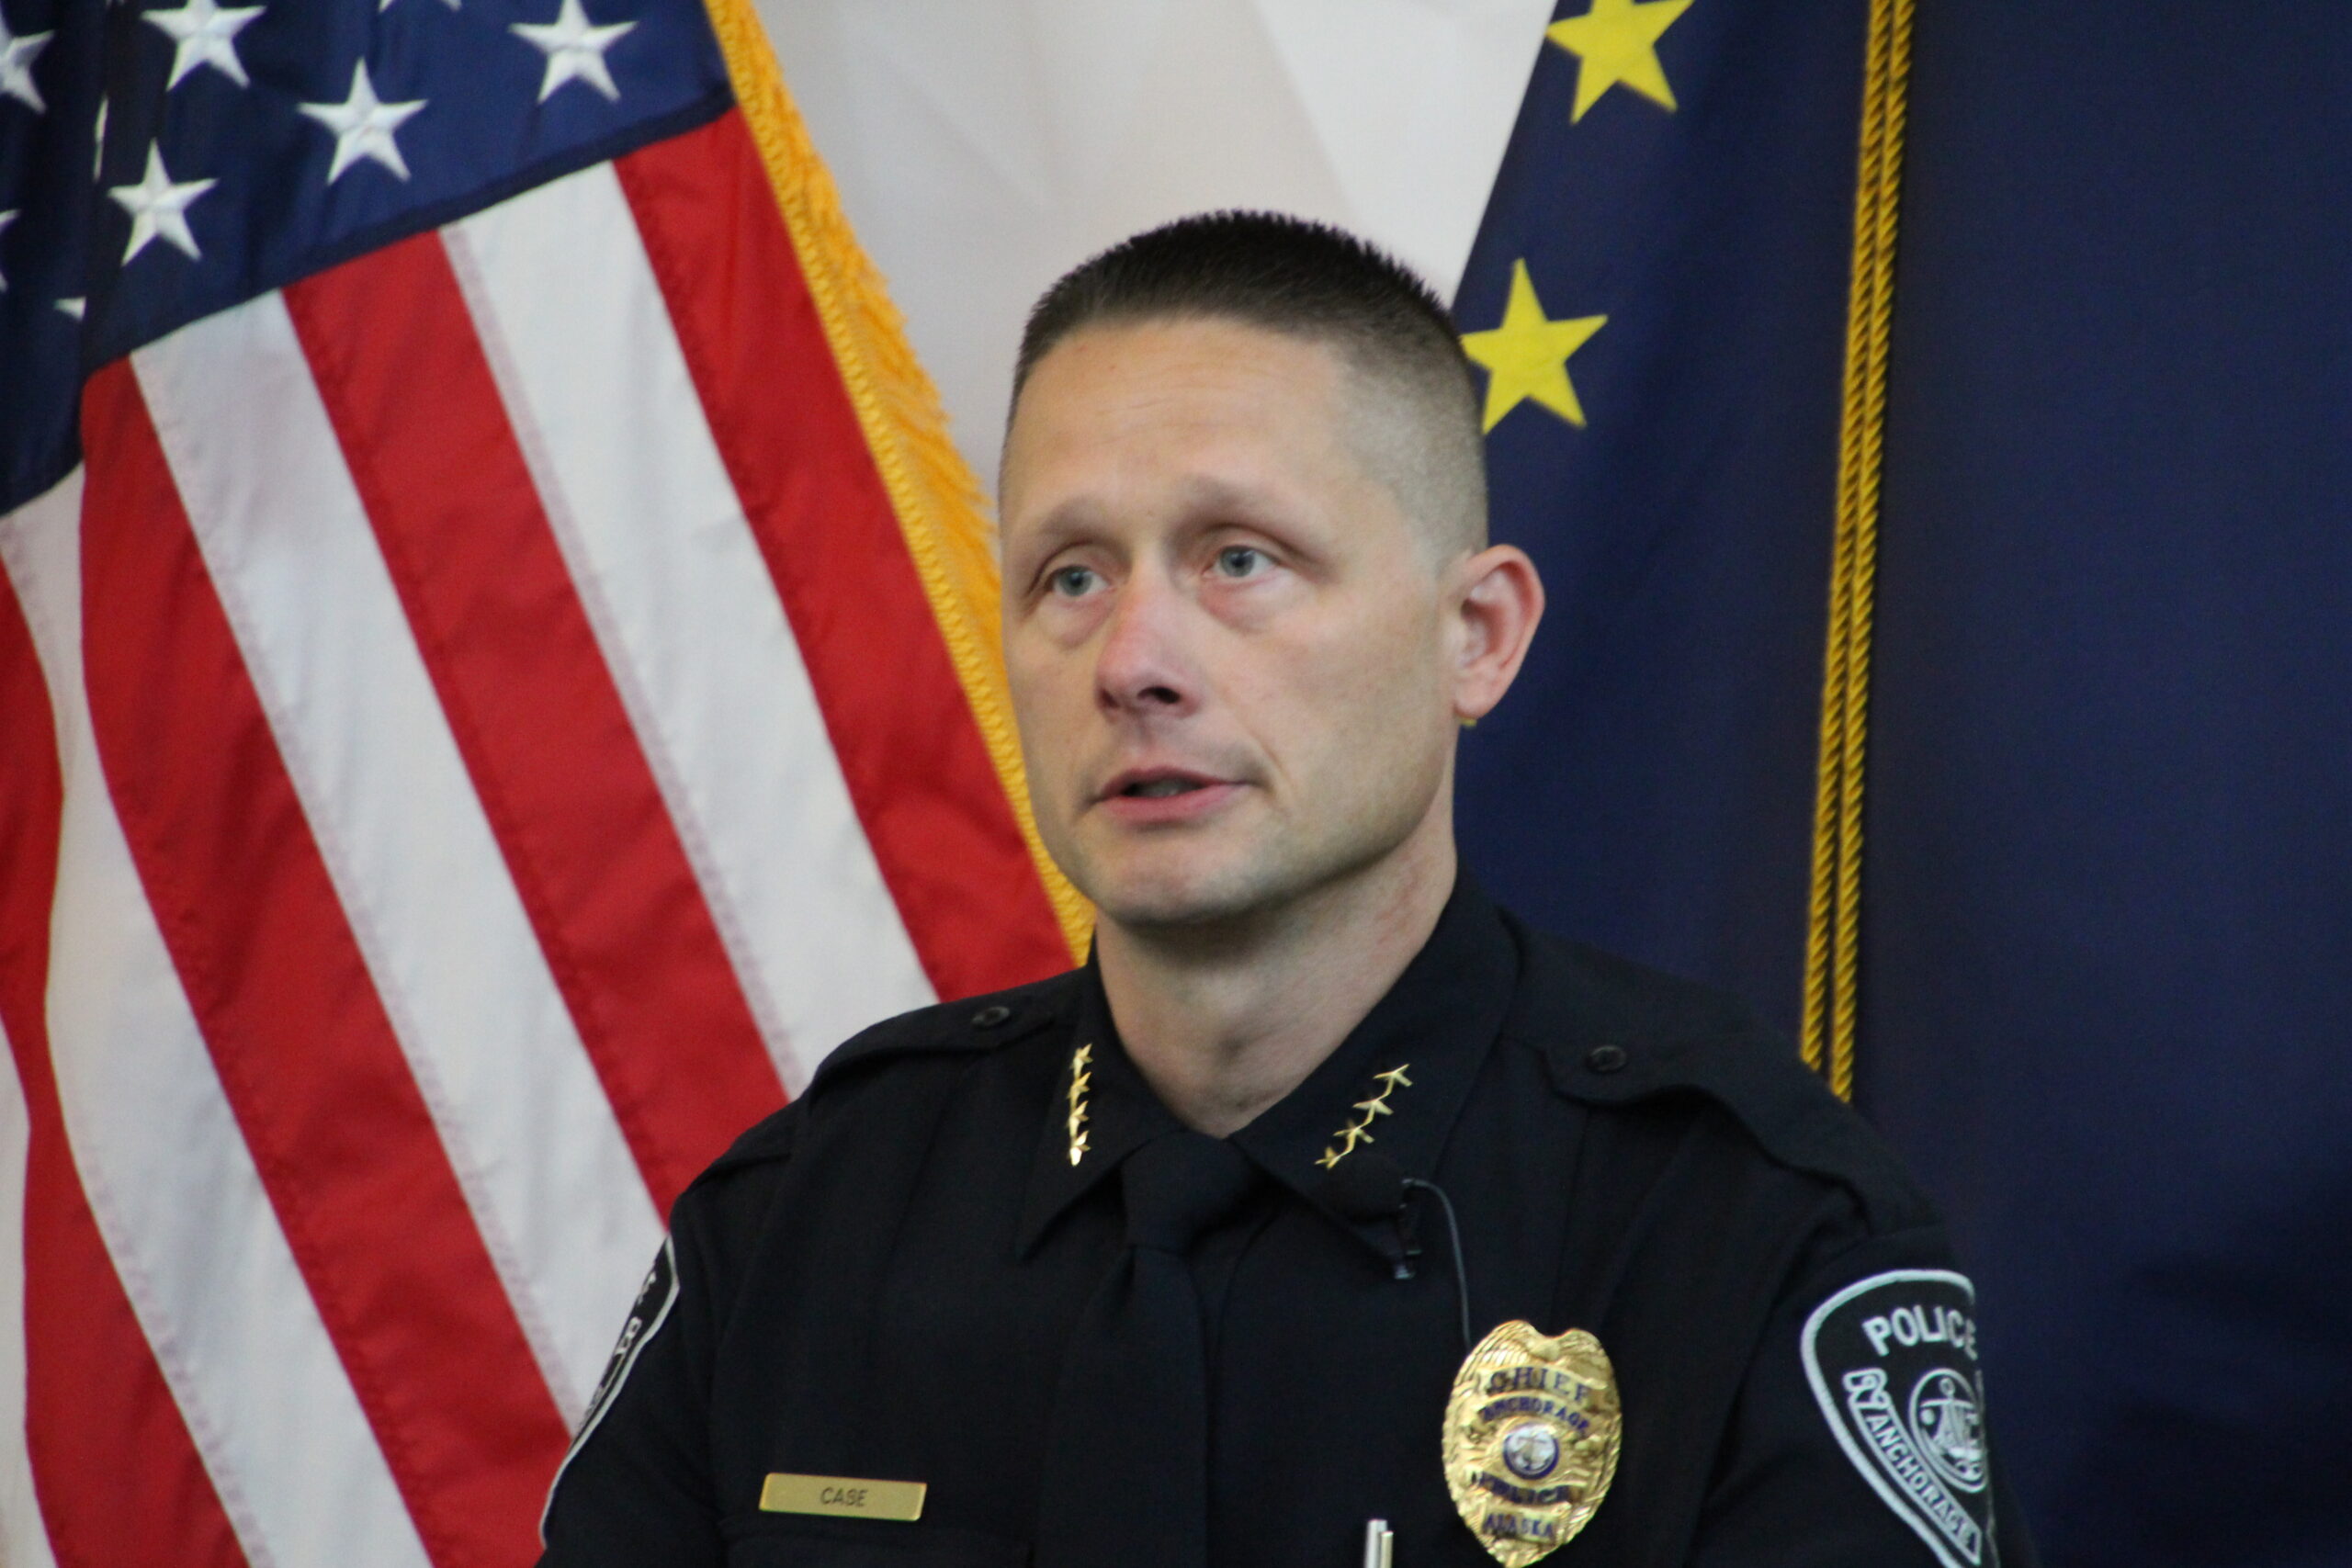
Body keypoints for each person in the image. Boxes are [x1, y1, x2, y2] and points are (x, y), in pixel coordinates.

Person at [537, 212, 2037, 1568]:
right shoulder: (807, 1223)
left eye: (1239, 560)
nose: (1133, 661)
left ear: (1478, 635)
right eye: (1069, 575)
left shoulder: (1741, 1231)